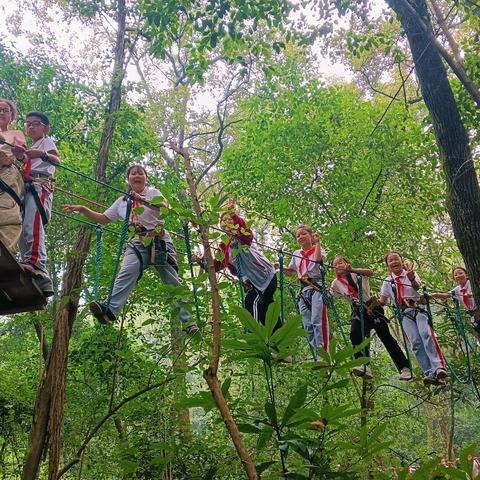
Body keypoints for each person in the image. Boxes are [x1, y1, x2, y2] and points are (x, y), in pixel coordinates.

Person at [63, 164, 197, 333]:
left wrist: (142, 200)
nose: (137, 175)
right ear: (129, 179)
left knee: (172, 282)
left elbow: (165, 208)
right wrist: (83, 209)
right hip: (138, 241)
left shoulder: (153, 193)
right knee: (127, 271)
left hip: (159, 240)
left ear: (146, 178)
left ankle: (189, 323)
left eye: (140, 173)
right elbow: (104, 218)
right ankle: (110, 311)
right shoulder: (123, 201)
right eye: (133, 173)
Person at [195, 200, 277, 327]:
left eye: (229, 219)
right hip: (253, 283)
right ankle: (279, 343)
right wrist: (200, 261)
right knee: (265, 313)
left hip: (265, 277)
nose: (226, 221)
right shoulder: (224, 247)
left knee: (251, 302)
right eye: (223, 220)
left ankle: (252, 337)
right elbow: (215, 266)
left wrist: (233, 215)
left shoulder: (242, 237)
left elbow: (247, 233)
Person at [331, 255, 412, 381]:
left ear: (346, 263)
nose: (337, 266)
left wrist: (353, 270)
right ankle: (362, 364)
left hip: (372, 307)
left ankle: (405, 368)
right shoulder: (336, 283)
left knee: (386, 338)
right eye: (334, 265)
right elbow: (331, 295)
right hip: (357, 311)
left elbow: (370, 272)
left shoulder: (357, 274)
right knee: (355, 334)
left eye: (340, 263)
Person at [378, 252, 448, 385]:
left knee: (426, 334)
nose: (394, 262)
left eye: (396, 259)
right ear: (387, 265)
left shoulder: (410, 274)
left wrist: (411, 278)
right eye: (391, 260)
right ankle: (429, 373)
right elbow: (383, 300)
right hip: (404, 314)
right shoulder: (387, 282)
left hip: (419, 309)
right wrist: (370, 303)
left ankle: (439, 367)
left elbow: (417, 287)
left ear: (401, 260)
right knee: (415, 342)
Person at [12, 111, 60, 296]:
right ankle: (30, 263)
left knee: (33, 224)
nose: (31, 126)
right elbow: (25, 164)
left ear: (46, 128)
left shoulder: (46, 143)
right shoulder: (30, 149)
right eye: (28, 124)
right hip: (27, 186)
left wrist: (41, 154)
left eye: (36, 123)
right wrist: (20, 156)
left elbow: (57, 160)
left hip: (40, 186)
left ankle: (36, 263)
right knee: (24, 227)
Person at [283, 225, 329, 354]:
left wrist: (318, 243)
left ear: (310, 235)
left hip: (317, 287)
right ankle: (317, 354)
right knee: (307, 325)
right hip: (303, 291)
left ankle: (324, 354)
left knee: (317, 320)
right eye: (298, 236)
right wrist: (280, 266)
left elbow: (319, 260)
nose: (300, 237)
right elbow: (291, 271)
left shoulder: (317, 249)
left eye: (303, 234)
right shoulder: (296, 254)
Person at [0, 98, 26, 254]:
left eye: (5, 110)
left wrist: (19, 154)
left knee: (7, 211)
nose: (2, 113)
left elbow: (23, 155)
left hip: (7, 174)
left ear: (12, 115)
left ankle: (5, 251)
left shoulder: (16, 134)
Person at [431, 267, 480, 340]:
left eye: (460, 273)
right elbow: (446, 295)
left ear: (466, 275)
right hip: (473, 316)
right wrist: (432, 295)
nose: (458, 275)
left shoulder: (472, 284)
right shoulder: (457, 290)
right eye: (455, 275)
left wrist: (472, 294)